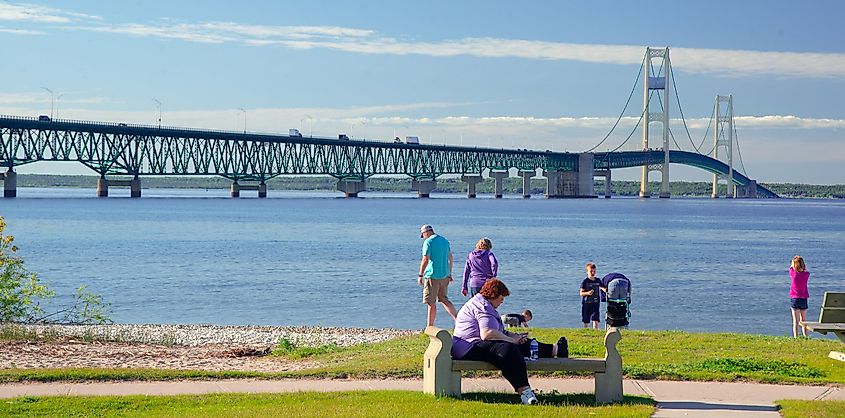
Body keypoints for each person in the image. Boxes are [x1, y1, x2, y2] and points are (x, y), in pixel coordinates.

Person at [451, 279, 568, 405]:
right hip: (468, 347)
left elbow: (498, 331)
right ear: (493, 294)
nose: (502, 301)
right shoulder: (483, 307)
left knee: (520, 343)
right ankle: (525, 392)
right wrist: (512, 341)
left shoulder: (485, 304)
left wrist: (514, 336)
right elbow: (487, 334)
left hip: (474, 343)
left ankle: (555, 350)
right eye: (501, 297)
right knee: (509, 350)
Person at [418, 224, 458, 327]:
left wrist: (420, 275)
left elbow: (425, 259)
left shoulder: (429, 242)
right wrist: (449, 273)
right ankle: (458, 321)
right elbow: (450, 258)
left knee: (431, 302)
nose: (424, 237)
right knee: (444, 299)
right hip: (444, 275)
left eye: (423, 235)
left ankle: (429, 326)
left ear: (426, 232)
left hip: (432, 275)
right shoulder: (444, 241)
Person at [789, 255, 810, 338]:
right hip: (803, 298)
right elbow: (806, 270)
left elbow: (791, 268)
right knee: (803, 320)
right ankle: (805, 335)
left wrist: (793, 261)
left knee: (795, 321)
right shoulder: (806, 274)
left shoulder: (793, 274)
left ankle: (796, 336)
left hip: (794, 298)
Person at [579, 263, 602, 329]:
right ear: (587, 272)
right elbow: (581, 293)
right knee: (586, 320)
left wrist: (606, 290)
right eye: (591, 271)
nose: (593, 273)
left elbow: (602, 287)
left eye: (594, 271)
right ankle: (586, 331)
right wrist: (587, 293)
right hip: (587, 303)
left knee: (595, 319)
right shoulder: (585, 281)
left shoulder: (598, 280)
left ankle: (595, 332)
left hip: (596, 302)